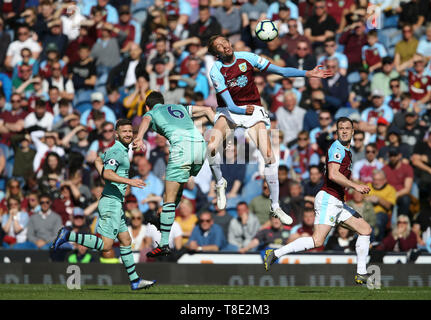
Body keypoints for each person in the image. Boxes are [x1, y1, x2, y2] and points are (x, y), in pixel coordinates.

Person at [206, 35, 332, 226]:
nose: (224, 46)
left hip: (253, 109)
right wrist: (241, 110)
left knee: (269, 156)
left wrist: (308, 74)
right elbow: (230, 104)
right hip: (231, 111)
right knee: (211, 146)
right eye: (219, 46)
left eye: (225, 42)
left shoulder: (247, 57)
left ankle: (275, 206)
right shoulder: (215, 71)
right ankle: (220, 182)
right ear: (216, 53)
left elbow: (281, 71)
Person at [264, 117, 373, 285]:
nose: (344, 131)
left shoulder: (347, 151)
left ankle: (361, 273)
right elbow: (333, 174)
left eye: (347, 128)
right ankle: (275, 253)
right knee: (317, 241)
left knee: (365, 229)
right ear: (337, 132)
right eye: (341, 128)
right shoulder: (337, 148)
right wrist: (355, 186)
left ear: (353, 131)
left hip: (337, 201)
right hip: (328, 200)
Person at [51, 119, 155, 291]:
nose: (129, 134)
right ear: (116, 134)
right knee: (106, 245)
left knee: (125, 240)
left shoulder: (116, 150)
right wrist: (129, 181)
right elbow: (107, 173)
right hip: (111, 203)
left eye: (130, 131)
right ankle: (68, 236)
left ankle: (135, 281)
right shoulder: (117, 152)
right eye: (125, 132)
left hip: (116, 203)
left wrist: (104, 172)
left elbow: (99, 161)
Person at [133, 91, 215, 257]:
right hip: (199, 147)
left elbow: (146, 119)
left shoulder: (152, 112)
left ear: (148, 106)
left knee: (169, 198)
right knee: (176, 192)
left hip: (182, 148)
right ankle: (162, 217)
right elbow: (207, 110)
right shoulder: (179, 107)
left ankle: (163, 243)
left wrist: (140, 137)